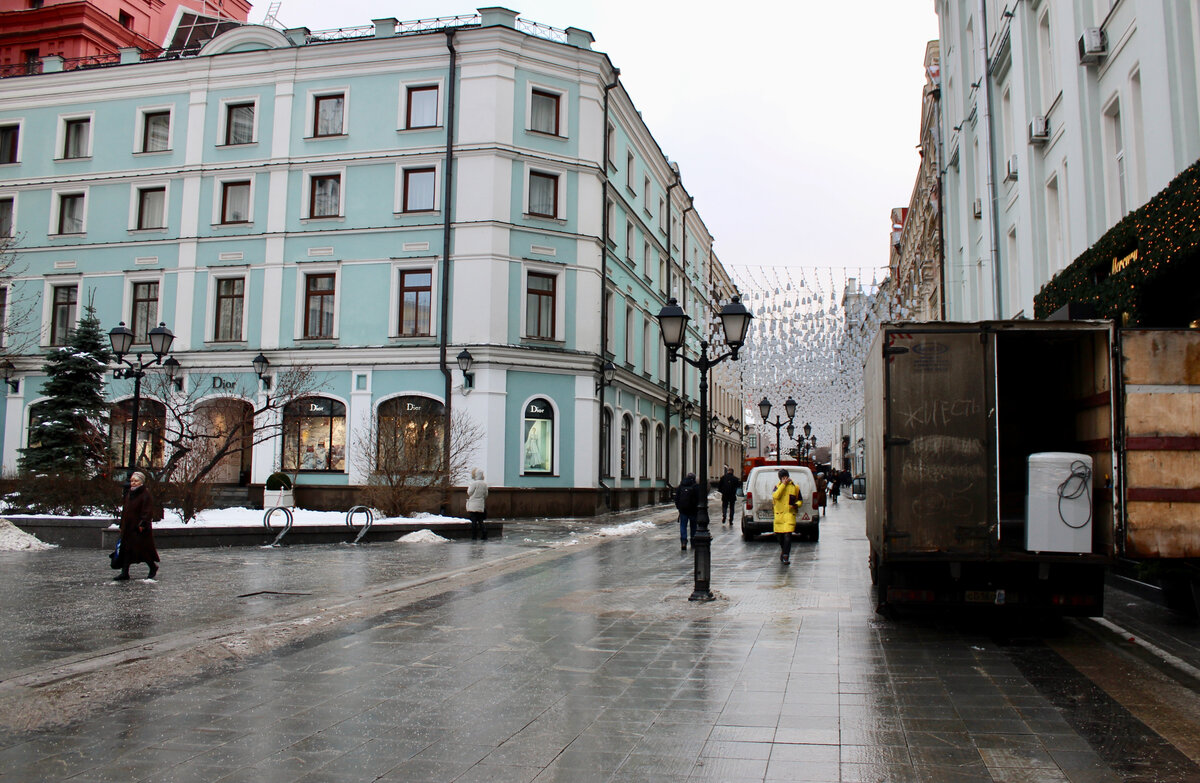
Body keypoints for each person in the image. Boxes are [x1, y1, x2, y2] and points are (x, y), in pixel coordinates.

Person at [114, 471, 159, 581]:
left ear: (141, 482)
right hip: (128, 527)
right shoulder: (130, 493)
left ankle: (152, 567)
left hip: (138, 528)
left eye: (136, 481)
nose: (133, 483)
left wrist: (142, 524)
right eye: (132, 481)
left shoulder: (145, 494)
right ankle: (125, 573)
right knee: (126, 550)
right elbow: (126, 510)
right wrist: (122, 524)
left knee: (142, 549)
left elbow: (147, 511)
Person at [771, 468, 801, 565]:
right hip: (779, 516)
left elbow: (800, 500)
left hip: (789, 515)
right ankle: (783, 551)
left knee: (788, 536)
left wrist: (796, 505)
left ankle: (786, 556)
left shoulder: (795, 487)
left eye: (786, 477)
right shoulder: (777, 487)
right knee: (780, 537)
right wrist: (783, 485)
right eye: (783, 478)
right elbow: (776, 496)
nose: (785, 479)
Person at [674, 472, 700, 550]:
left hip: (683, 510)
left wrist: (679, 507)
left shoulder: (681, 486)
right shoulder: (696, 487)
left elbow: (676, 498)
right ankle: (693, 542)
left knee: (683, 526)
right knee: (693, 526)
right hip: (693, 510)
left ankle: (683, 542)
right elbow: (699, 498)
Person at [466, 468, 489, 540]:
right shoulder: (484, 484)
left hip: (473, 505)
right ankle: (484, 533)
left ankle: (474, 536)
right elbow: (486, 495)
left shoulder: (474, 483)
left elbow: (469, 493)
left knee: (474, 521)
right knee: (480, 520)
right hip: (480, 505)